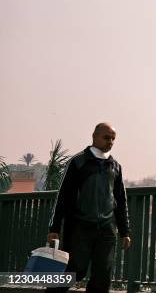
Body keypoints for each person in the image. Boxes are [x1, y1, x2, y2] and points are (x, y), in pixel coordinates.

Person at [46, 123, 131, 293]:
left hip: (107, 229)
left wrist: (125, 231)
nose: (110, 142)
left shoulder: (115, 166)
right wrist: (54, 228)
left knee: (102, 276)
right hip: (80, 226)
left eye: (113, 139)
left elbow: (120, 200)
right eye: (106, 137)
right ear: (94, 136)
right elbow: (63, 196)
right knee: (75, 270)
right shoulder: (78, 162)